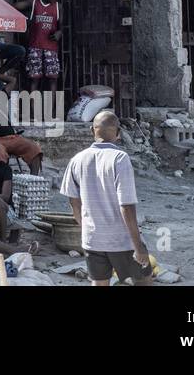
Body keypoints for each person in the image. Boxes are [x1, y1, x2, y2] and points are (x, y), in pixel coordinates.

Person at [59, 110, 152, 286]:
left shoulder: (77, 160)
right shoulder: (120, 158)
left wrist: (88, 230)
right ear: (118, 134)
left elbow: (74, 204)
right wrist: (138, 245)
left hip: (92, 240)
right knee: (143, 280)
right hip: (121, 240)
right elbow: (126, 206)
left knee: (99, 282)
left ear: (91, 131)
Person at [16, 0, 62, 95]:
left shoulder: (58, 7)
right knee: (34, 79)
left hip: (51, 48)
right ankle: (33, 110)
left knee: (53, 78)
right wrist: (25, 21)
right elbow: (15, 6)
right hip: (35, 47)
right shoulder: (34, 3)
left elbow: (63, 26)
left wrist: (59, 33)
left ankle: (50, 110)